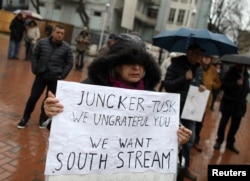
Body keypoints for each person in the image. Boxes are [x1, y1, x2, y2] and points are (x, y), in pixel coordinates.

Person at [43, 33, 192, 145]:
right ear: (115, 64)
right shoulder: (91, 88)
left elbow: (164, 135)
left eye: (141, 63)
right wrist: (53, 113)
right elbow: (59, 127)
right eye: (129, 62)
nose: (136, 67)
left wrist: (178, 136)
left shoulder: (152, 97)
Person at [163, 44, 206, 181]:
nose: (198, 56)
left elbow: (199, 84)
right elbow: (167, 85)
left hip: (191, 110)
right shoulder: (176, 65)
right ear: (188, 53)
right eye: (195, 53)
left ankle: (184, 168)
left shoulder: (199, 69)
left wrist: (202, 87)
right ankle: (169, 167)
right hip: (175, 109)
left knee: (189, 140)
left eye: (200, 54)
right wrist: (184, 78)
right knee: (173, 139)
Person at [17, 24, 73, 129]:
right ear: (53, 32)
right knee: (33, 97)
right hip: (41, 75)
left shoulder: (66, 48)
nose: (60, 35)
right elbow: (34, 55)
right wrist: (35, 68)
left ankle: (43, 119)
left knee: (48, 100)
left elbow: (69, 62)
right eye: (58, 32)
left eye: (62, 33)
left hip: (55, 77)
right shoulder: (42, 43)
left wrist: (62, 74)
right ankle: (25, 118)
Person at [213, 63, 250, 154]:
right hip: (228, 103)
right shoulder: (230, 73)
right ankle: (219, 141)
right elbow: (224, 86)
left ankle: (230, 143)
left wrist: (245, 88)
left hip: (239, 105)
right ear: (238, 65)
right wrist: (236, 83)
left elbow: (246, 89)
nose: (244, 67)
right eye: (242, 66)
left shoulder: (246, 75)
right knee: (223, 123)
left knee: (235, 126)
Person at [194, 54, 221, 152]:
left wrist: (212, 84)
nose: (206, 59)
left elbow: (218, 83)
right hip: (194, 98)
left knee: (200, 122)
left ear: (211, 59)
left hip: (205, 100)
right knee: (190, 120)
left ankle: (195, 140)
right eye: (205, 56)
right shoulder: (197, 66)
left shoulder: (213, 70)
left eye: (209, 57)